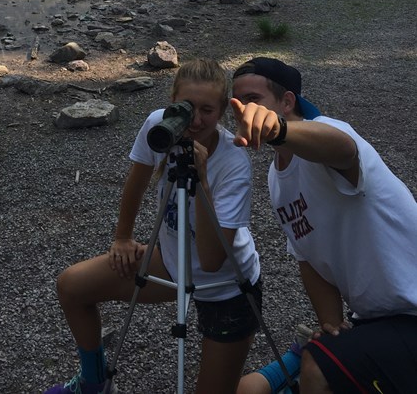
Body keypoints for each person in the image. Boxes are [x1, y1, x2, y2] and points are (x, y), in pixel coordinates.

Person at [44, 57, 262, 394]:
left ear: (222, 112)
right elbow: (137, 180)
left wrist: (201, 180)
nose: (196, 120)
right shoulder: (161, 127)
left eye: (207, 110)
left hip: (225, 286)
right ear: (173, 101)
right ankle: (94, 381)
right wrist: (122, 237)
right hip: (174, 265)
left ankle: (290, 365)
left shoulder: (234, 163)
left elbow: (211, 260)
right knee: (72, 286)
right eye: (188, 107)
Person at [231, 57, 417, 394]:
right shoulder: (276, 177)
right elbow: (307, 257)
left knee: (318, 368)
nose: (243, 110)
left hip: (411, 312)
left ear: (287, 102)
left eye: (253, 100)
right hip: (376, 320)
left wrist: (279, 131)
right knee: (252, 387)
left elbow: (343, 151)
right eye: (237, 102)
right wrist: (331, 327)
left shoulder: (331, 131)